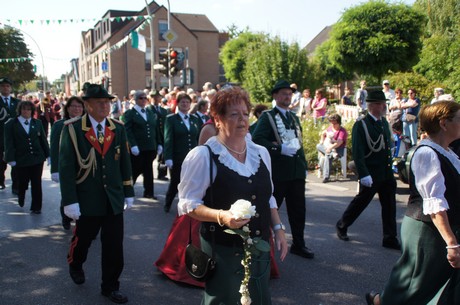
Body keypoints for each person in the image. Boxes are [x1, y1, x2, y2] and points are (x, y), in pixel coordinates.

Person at [177, 86, 288, 304]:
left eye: (245, 114)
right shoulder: (204, 156)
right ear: (217, 119)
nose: (242, 120)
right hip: (222, 251)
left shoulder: (261, 153)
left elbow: (268, 197)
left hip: (260, 247)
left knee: (259, 296)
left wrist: (278, 229)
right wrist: (222, 217)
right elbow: (188, 204)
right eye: (234, 114)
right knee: (225, 299)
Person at [366, 100, 460, 305]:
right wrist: (451, 243)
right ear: (444, 123)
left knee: (436, 286)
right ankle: (380, 301)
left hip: (443, 227)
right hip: (427, 230)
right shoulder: (427, 153)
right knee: (414, 286)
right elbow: (434, 204)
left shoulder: (449, 153)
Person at [59, 83, 134, 304]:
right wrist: (70, 201)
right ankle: (75, 263)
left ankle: (110, 286)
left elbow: (125, 163)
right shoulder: (72, 129)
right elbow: (66, 167)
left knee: (114, 246)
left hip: (113, 198)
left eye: (108, 102)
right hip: (87, 198)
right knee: (83, 240)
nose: (105, 106)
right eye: (100, 102)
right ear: (87, 105)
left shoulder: (117, 128)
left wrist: (128, 190)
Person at [253, 79, 314, 259]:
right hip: (278, 173)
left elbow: (299, 143)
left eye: (290, 94)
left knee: (298, 209)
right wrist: (279, 149)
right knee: (271, 209)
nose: (287, 97)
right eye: (284, 94)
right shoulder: (268, 116)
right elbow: (257, 139)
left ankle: (299, 243)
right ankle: (261, 244)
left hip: (295, 172)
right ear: (275, 96)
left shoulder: (294, 117)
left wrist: (303, 165)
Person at [336, 90, 401, 250]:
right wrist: (364, 174)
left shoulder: (383, 123)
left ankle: (390, 237)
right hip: (371, 174)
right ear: (372, 106)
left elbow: (387, 147)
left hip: (385, 173)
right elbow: (358, 152)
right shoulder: (362, 125)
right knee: (361, 202)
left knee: (390, 206)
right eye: (380, 104)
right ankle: (342, 225)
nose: (383, 106)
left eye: (383, 103)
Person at [4, 100, 50, 213]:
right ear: (20, 110)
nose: (26, 111)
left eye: (28, 109)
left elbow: (43, 140)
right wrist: (10, 158)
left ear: (32, 111)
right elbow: (8, 142)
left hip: (37, 158)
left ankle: (36, 207)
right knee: (22, 182)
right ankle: (21, 194)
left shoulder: (37, 123)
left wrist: (48, 155)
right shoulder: (11, 123)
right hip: (21, 158)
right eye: (24, 109)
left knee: (36, 183)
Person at [50, 96, 85, 229]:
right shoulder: (60, 125)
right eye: (74, 106)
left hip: (83, 165)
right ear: (68, 108)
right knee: (68, 192)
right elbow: (54, 148)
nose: (77, 109)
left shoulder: (86, 124)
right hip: (66, 166)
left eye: (79, 106)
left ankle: (83, 222)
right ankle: (66, 217)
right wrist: (55, 169)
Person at [163, 93, 200, 213]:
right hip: (178, 156)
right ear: (178, 104)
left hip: (193, 157)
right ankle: (168, 204)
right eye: (182, 102)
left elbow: (198, 138)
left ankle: (189, 205)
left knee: (192, 182)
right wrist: (168, 157)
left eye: (187, 102)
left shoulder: (195, 119)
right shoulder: (171, 119)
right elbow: (168, 139)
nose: (185, 104)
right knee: (176, 182)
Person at [122, 90, 162, 200]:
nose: (144, 100)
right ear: (135, 100)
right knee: (135, 170)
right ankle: (126, 190)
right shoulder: (129, 113)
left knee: (148, 170)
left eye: (145, 98)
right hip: (137, 148)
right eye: (141, 98)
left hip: (150, 147)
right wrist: (132, 145)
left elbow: (156, 128)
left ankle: (149, 192)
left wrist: (159, 143)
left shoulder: (150, 112)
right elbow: (127, 130)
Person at [0, 77, 20, 191]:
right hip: (1, 137)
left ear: (11, 88)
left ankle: (16, 186)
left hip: (14, 138)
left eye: (7, 86)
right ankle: (1, 180)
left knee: (15, 163)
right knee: (1, 163)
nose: (5, 88)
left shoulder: (17, 102)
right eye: (3, 86)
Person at [316, 114, 348, 183]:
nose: (332, 125)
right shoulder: (330, 128)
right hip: (329, 148)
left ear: (339, 123)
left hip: (338, 149)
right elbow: (323, 133)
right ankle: (332, 154)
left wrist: (330, 148)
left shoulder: (342, 131)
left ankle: (326, 177)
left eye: (334, 123)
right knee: (319, 146)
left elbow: (339, 143)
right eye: (331, 123)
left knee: (328, 155)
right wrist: (322, 140)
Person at [148, 90, 169, 181]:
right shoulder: (148, 110)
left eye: (157, 97)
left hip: (162, 134)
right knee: (151, 155)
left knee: (163, 156)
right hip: (153, 135)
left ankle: (162, 173)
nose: (156, 99)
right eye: (153, 97)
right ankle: (146, 172)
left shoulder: (164, 110)